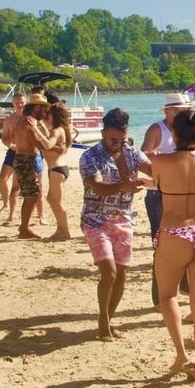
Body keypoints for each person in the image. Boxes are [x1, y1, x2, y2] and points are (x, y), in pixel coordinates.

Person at [150, 108, 195, 382]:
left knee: (168, 296)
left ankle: (181, 354)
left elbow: (157, 175)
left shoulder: (162, 161)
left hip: (175, 230)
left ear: (174, 133)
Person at [78, 107, 151, 341]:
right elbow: (96, 187)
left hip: (124, 218)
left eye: (120, 140)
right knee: (108, 273)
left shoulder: (131, 153)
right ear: (103, 133)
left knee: (121, 275)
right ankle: (102, 321)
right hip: (95, 218)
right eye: (112, 140)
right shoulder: (89, 157)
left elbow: (156, 170)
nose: (116, 144)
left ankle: (109, 319)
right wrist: (124, 186)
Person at [142, 94, 192, 304]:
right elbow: (142, 156)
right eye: (181, 110)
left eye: (186, 110)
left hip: (181, 193)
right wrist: (161, 163)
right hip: (158, 194)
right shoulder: (157, 129)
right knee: (161, 247)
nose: (185, 114)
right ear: (169, 111)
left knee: (184, 243)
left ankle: (184, 287)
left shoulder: (185, 130)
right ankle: (159, 298)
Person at [11, 93, 51, 239]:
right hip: (26, 160)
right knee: (32, 195)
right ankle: (24, 228)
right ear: (37, 107)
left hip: (22, 159)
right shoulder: (29, 121)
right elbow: (39, 143)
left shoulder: (25, 119)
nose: (45, 112)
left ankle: (24, 227)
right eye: (44, 109)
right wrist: (49, 142)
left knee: (31, 194)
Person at [43, 102, 74, 241]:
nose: (46, 115)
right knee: (51, 199)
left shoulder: (57, 130)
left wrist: (35, 131)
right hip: (57, 169)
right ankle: (60, 228)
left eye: (48, 112)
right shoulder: (61, 129)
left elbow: (48, 145)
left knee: (58, 202)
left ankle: (65, 230)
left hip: (57, 169)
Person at [0, 91, 25, 221]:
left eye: (22, 103)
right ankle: (5, 203)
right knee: (2, 178)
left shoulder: (30, 118)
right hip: (12, 151)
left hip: (25, 153)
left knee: (16, 185)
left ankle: (12, 215)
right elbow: (4, 138)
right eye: (17, 103)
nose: (19, 105)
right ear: (13, 104)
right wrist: (10, 145)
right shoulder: (9, 120)